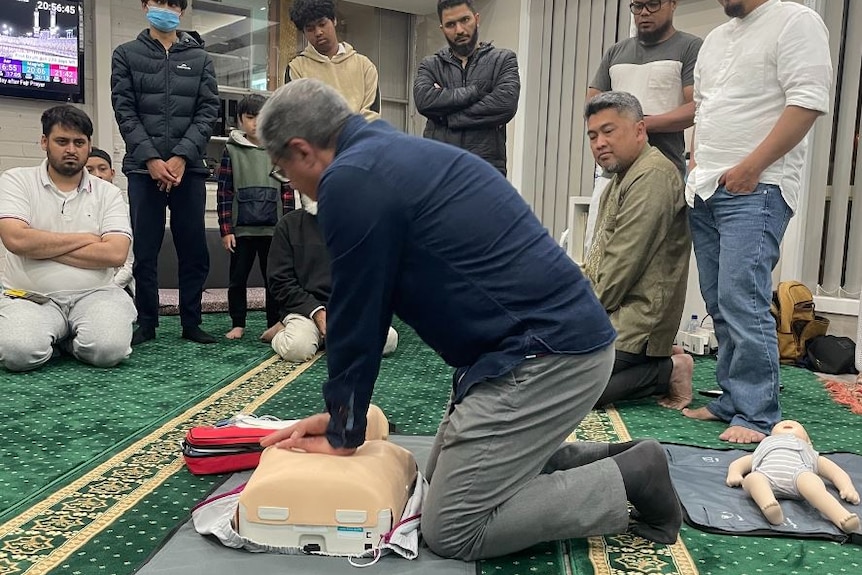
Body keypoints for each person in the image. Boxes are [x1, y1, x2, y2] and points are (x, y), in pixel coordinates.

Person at [256, 79, 682, 561]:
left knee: (454, 528)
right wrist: (342, 417)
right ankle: (622, 460)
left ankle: (631, 478)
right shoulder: (387, 152)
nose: (289, 183)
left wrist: (343, 431)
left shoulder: (349, 181)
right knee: (439, 478)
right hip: (543, 344)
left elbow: (357, 316)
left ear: (301, 150)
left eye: (282, 171)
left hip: (546, 355)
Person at [682, 0, 833, 443]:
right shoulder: (715, 39)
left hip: (759, 186)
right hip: (707, 187)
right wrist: (695, 164)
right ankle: (731, 398)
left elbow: (806, 103)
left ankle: (756, 414)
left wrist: (752, 167)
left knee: (743, 300)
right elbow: (703, 110)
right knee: (719, 301)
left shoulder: (796, 21)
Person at [111, 0, 220, 345]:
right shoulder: (125, 54)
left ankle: (191, 321)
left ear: (183, 10)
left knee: (194, 249)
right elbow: (124, 111)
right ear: (145, 5)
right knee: (145, 249)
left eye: (174, 3)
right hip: (144, 171)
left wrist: (181, 157)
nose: (166, 8)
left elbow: (208, 111)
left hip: (189, 170)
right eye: (159, 1)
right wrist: (152, 160)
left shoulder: (201, 59)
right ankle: (147, 321)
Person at [0, 106, 136, 372]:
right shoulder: (16, 180)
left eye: (79, 142)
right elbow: (15, 240)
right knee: (18, 354)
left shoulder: (108, 193)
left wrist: (38, 246)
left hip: (96, 295)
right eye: (62, 141)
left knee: (108, 351)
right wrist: (88, 238)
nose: (71, 149)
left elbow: (115, 254)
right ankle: (58, 335)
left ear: (88, 145)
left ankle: (67, 342)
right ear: (44, 142)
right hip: (30, 297)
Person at [583, 92, 693, 410]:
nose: (600, 142)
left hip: (635, 324)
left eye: (609, 131)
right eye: (593, 136)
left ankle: (667, 370)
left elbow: (621, 265)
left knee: (561, 393)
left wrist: (575, 321)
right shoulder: (622, 178)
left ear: (639, 131)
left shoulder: (653, 176)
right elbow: (599, 261)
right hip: (611, 317)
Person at [261, 194, 398, 362]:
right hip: (304, 311)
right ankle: (283, 332)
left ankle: (327, 338)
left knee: (388, 340)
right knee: (297, 349)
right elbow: (280, 281)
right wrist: (316, 312)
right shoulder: (288, 225)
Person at [588, 0, 702, 177]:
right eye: (638, 6)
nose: (644, 12)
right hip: (613, 173)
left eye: (653, 4)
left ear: (673, 4)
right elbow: (593, 104)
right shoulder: (615, 52)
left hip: (661, 170)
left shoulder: (690, 47)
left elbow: (695, 107)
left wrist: (643, 125)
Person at [216, 94, 295, 340]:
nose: (256, 123)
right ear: (240, 120)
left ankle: (274, 323)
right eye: (250, 118)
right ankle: (238, 323)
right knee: (237, 279)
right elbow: (224, 191)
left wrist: (288, 229)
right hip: (241, 231)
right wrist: (226, 229)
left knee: (273, 279)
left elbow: (287, 189)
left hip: (274, 230)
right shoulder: (231, 149)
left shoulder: (279, 150)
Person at [413, 0, 520, 176]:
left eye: (465, 20)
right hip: (438, 170)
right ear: (442, 29)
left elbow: (505, 105)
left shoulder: (503, 60)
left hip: (485, 172)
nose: (459, 30)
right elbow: (424, 101)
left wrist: (448, 118)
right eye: (450, 24)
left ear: (476, 19)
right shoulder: (430, 65)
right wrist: (475, 92)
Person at [726, 420, 860, 532]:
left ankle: (840, 516)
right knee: (754, 479)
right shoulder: (763, 449)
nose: (789, 422)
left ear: (808, 442)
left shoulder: (810, 452)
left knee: (812, 483)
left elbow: (836, 472)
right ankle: (769, 505)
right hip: (765, 475)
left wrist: (847, 487)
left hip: (799, 476)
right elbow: (739, 463)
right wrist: (735, 474)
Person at [284, 0, 380, 122]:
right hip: (317, 140)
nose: (318, 32)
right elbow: (298, 115)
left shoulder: (364, 66)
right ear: (304, 33)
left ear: (334, 20)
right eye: (310, 28)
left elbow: (372, 114)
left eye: (322, 24)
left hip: (359, 138)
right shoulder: (296, 69)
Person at [86, 148, 135, 292]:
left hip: (119, 285)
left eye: (102, 169)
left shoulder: (127, 211)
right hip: (81, 285)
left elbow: (130, 263)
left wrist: (109, 289)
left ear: (112, 173)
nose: (97, 175)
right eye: (89, 170)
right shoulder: (72, 208)